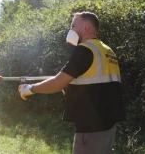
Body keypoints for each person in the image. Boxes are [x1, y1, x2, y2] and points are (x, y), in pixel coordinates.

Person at [13, 11, 125, 154]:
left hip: (90, 128)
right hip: (108, 126)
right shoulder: (107, 51)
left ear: (85, 28)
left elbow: (58, 83)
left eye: (73, 26)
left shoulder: (84, 50)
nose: (71, 30)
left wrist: (30, 89)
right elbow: (98, 83)